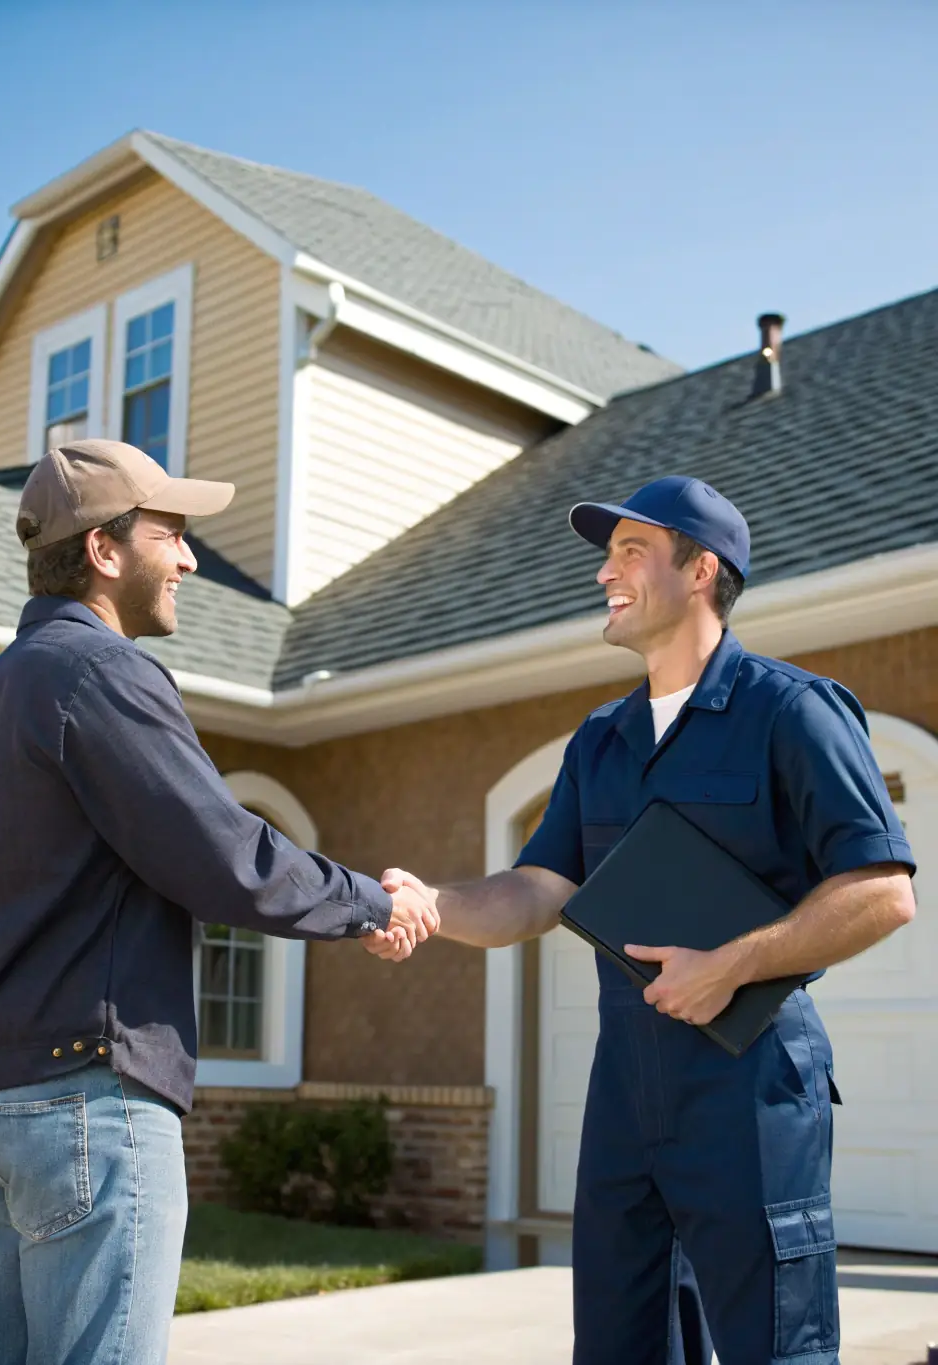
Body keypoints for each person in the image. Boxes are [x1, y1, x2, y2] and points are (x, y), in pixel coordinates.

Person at [372, 475, 916, 1365]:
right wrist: (436, 906)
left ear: (702, 570)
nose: (605, 573)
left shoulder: (793, 711)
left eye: (632, 551)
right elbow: (539, 888)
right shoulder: (600, 739)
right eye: (607, 553)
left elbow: (882, 889)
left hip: (751, 1082)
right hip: (627, 1087)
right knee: (620, 1345)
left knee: (776, 1348)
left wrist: (731, 964)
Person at [0, 439, 437, 1365]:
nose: (192, 559)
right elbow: (222, 853)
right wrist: (369, 902)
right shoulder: (98, 673)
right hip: (83, 1095)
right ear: (105, 551)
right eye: (173, 533)